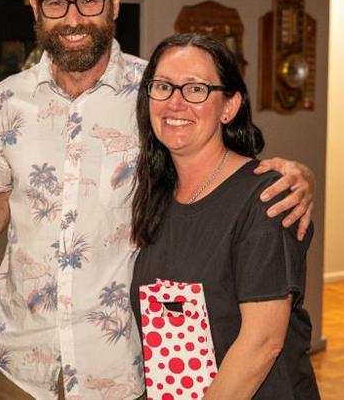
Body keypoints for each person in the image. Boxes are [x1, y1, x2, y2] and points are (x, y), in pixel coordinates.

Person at [0, 0, 315, 400]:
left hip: (121, 368)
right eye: (56, 3)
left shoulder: (155, 95)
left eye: (88, 0)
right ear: (35, 8)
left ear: (114, 1)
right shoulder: (7, 99)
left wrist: (294, 174)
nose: (72, 18)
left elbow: (214, 162)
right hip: (21, 361)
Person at [130, 33, 320, 399]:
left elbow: (262, 343)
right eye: (163, 86)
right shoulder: (157, 196)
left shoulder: (265, 198)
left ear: (229, 106)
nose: (175, 102)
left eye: (196, 89)